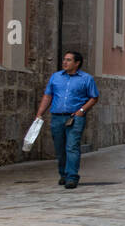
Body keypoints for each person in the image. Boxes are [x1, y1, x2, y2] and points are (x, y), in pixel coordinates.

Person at [33, 50, 100, 189]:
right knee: (59, 148)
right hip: (57, 117)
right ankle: (63, 174)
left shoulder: (87, 79)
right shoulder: (55, 77)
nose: (64, 62)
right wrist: (39, 113)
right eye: (64, 59)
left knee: (72, 146)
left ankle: (72, 177)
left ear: (77, 63)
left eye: (68, 60)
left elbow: (94, 97)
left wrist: (81, 111)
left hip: (75, 118)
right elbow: (48, 96)